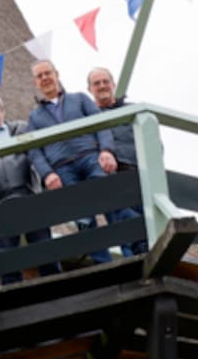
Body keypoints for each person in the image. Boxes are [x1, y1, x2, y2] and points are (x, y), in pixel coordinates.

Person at [27, 60, 132, 264]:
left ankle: (132, 253)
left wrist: (106, 150)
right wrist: (47, 173)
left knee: (112, 200)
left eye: (47, 73)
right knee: (83, 217)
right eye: (40, 76)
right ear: (35, 83)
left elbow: (101, 125)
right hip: (62, 167)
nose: (45, 78)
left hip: (90, 157)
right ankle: (103, 263)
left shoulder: (80, 99)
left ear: (56, 74)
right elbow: (34, 151)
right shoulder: (34, 117)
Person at [0, 93, 60, 283]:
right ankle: (12, 296)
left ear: (2, 111)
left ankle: (56, 288)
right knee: (6, 256)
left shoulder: (21, 129)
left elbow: (39, 157)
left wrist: (38, 187)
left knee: (43, 247)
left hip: (29, 196)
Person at [88, 67, 148, 255]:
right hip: (109, 176)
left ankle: (150, 258)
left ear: (113, 84)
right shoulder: (87, 118)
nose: (102, 86)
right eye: (96, 83)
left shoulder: (133, 110)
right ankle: (135, 265)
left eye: (105, 81)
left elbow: (152, 141)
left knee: (148, 220)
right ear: (90, 89)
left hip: (136, 172)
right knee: (122, 226)